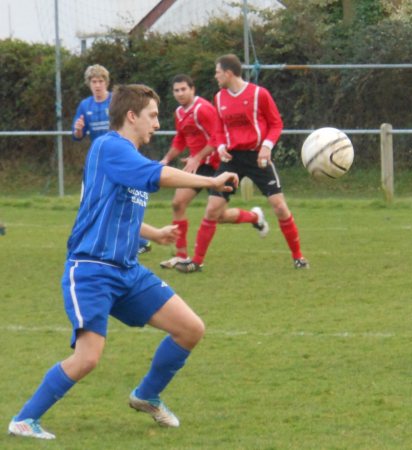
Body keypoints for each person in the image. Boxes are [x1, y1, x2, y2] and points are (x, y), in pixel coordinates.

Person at [8, 84, 239, 439]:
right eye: (152, 116)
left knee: (190, 328)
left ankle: (146, 395)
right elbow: (159, 177)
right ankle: (24, 420)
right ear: (131, 116)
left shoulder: (128, 157)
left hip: (127, 271)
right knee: (88, 358)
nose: (157, 124)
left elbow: (114, 211)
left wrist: (152, 234)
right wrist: (211, 180)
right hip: (92, 270)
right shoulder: (109, 146)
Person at [174, 54, 309, 273]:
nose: (215, 76)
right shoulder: (219, 98)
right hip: (232, 160)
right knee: (212, 210)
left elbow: (276, 123)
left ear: (228, 73)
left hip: (257, 158)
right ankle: (196, 262)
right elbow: (218, 129)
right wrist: (220, 147)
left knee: (279, 207)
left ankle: (298, 257)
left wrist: (266, 146)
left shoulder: (259, 94)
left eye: (217, 72)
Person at [158, 74, 268, 269]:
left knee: (218, 215)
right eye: (176, 90)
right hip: (198, 165)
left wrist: (198, 156)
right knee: (178, 203)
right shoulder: (179, 112)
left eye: (184, 89)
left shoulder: (204, 109)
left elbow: (217, 138)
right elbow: (180, 139)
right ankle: (181, 256)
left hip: (216, 164)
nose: (180, 93)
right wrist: (167, 159)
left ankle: (254, 217)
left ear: (192, 89)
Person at [72, 64, 153, 254]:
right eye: (94, 81)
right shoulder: (85, 105)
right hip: (100, 161)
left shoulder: (115, 102)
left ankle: (137, 239)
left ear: (106, 82)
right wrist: (77, 130)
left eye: (101, 81)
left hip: (121, 158)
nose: (98, 85)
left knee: (127, 199)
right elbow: (77, 135)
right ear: (89, 84)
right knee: (93, 201)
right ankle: (138, 240)